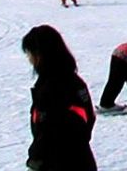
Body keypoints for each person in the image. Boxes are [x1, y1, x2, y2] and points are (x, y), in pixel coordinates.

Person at [21, 24, 97, 171]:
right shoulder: (74, 81)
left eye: (30, 53)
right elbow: (89, 118)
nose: (29, 59)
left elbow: (46, 130)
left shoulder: (51, 87)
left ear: (40, 54)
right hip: (81, 158)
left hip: (59, 162)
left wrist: (36, 159)